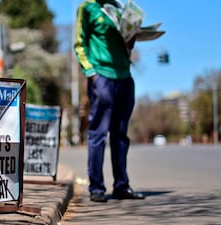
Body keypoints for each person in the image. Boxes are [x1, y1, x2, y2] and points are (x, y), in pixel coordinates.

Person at [74, 0, 145, 202]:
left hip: (124, 76)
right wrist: (91, 73)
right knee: (98, 133)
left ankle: (122, 185)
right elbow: (80, 43)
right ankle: (96, 187)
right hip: (102, 77)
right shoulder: (87, 8)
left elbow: (126, 44)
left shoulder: (118, 8)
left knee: (120, 134)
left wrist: (132, 39)